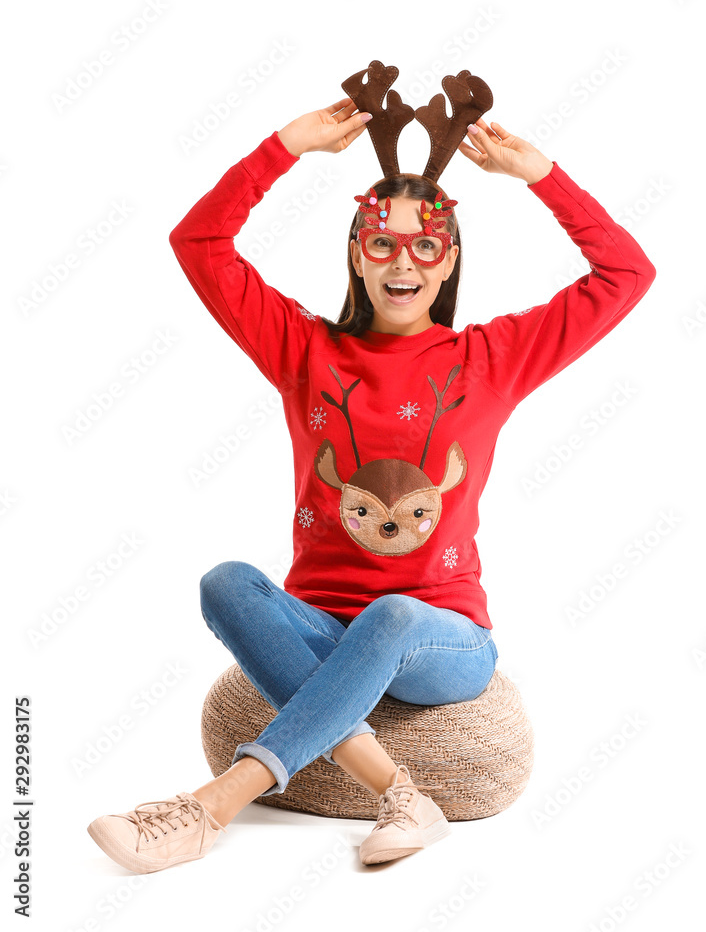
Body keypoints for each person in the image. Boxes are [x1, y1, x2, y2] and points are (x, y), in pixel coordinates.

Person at [87, 95, 656, 874]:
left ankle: (207, 809)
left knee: (391, 612)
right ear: (356, 254)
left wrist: (539, 174)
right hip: (322, 625)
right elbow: (200, 242)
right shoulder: (303, 351)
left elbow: (627, 273)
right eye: (381, 243)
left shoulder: (490, 358)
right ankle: (402, 794)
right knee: (225, 582)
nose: (401, 262)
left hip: (443, 643)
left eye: (425, 247)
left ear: (450, 260)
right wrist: (286, 145)